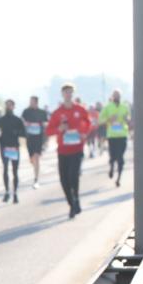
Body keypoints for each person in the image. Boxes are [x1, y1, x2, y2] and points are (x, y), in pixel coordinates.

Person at [45, 83, 92, 219]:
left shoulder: (80, 109)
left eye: (70, 92)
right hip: (63, 150)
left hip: (77, 149)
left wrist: (84, 132)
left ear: (73, 94)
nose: (68, 94)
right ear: (62, 94)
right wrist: (58, 129)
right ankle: (71, 203)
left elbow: (88, 123)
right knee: (64, 180)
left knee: (73, 176)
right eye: (66, 92)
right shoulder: (57, 113)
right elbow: (48, 131)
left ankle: (75, 200)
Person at [0, 99, 26, 203]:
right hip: (4, 147)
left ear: (13, 106)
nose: (8, 107)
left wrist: (16, 132)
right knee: (5, 169)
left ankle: (15, 193)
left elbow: (24, 133)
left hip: (14, 148)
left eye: (10, 105)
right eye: (6, 105)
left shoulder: (17, 120)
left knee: (15, 171)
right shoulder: (1, 120)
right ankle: (7, 192)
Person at [98, 90, 130, 187]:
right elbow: (100, 120)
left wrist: (126, 119)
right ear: (112, 97)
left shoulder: (125, 107)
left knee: (120, 158)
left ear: (120, 96)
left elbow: (129, 119)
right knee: (113, 156)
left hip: (122, 135)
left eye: (118, 95)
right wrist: (108, 119)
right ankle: (111, 167)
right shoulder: (107, 107)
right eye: (115, 95)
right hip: (112, 136)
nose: (117, 97)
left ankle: (118, 178)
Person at [21, 96, 48, 189]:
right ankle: (34, 164)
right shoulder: (26, 111)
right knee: (32, 158)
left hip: (39, 138)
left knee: (36, 157)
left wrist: (43, 125)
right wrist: (25, 123)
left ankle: (36, 178)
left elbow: (46, 123)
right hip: (29, 138)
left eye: (32, 101)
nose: (30, 103)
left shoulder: (42, 112)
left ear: (36, 102)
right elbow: (21, 121)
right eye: (30, 101)